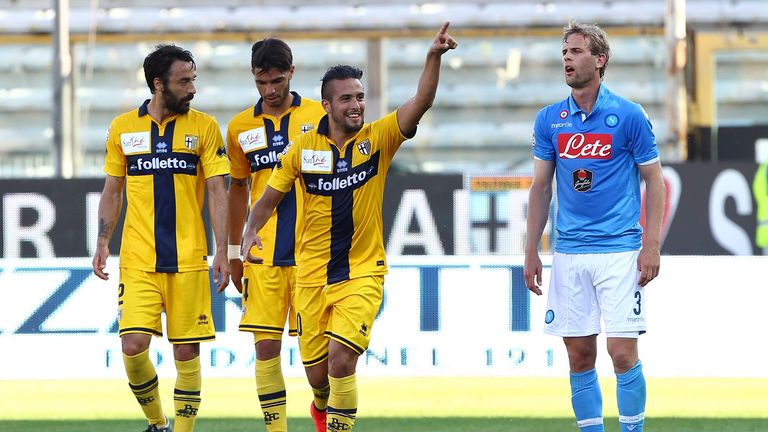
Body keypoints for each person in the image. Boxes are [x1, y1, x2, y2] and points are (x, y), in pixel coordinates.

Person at [239, 22, 457, 432]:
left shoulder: (379, 139)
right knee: (319, 377)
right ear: (326, 105)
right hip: (309, 277)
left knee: (343, 360)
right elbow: (268, 197)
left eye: (359, 97)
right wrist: (249, 234)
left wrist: (432, 58)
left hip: (361, 273)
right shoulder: (302, 149)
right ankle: (321, 409)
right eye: (346, 99)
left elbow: (421, 101)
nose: (356, 105)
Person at [524, 22, 665, 432]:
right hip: (568, 253)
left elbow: (654, 180)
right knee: (579, 357)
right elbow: (540, 187)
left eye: (576, 51)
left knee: (622, 354)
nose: (566, 58)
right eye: (564, 51)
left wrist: (651, 245)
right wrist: (532, 249)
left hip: (620, 251)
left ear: (599, 60)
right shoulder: (550, 119)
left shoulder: (629, 115)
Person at [92, 44, 230, 432]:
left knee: (186, 351)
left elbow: (219, 191)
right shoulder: (123, 127)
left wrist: (222, 249)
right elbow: (113, 189)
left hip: (188, 259)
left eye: (193, 80)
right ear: (158, 84)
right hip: (138, 260)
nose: (192, 88)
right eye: (183, 81)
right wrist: (103, 241)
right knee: (133, 348)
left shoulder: (204, 127)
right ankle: (158, 423)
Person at [226, 38, 327, 432]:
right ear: (254, 77)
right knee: (265, 350)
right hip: (263, 257)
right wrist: (235, 251)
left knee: (316, 365)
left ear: (292, 73)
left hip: (311, 256)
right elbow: (237, 190)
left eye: (278, 81)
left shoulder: (320, 115)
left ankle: (321, 407)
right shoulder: (239, 127)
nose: (270, 90)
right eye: (262, 82)